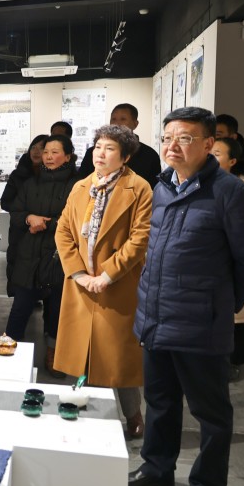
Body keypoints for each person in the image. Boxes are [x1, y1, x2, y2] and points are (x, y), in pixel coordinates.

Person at [129, 107, 244, 486]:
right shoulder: (162, 186)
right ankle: (157, 467)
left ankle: (207, 485)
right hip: (156, 316)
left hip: (200, 322)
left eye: (185, 138)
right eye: (167, 137)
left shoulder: (231, 194)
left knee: (210, 411)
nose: (172, 145)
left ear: (209, 144)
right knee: (160, 400)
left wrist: (218, 304)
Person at [54, 125, 153, 439]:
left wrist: (108, 275)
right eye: (98, 146)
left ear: (124, 157)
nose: (101, 153)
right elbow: (63, 231)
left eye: (109, 148)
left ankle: (133, 414)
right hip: (82, 284)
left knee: (117, 356)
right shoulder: (82, 186)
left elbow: (140, 238)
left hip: (117, 284)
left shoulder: (139, 188)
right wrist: (79, 273)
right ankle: (79, 407)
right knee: (82, 352)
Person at [5, 135, 80, 376]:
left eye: (55, 152)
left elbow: (79, 221)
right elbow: (16, 212)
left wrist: (47, 224)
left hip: (60, 255)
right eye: (46, 151)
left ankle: (54, 355)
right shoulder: (30, 183)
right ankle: (8, 352)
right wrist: (29, 218)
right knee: (20, 307)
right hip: (29, 254)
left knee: (56, 311)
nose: (48, 156)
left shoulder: (78, 186)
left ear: (67, 157)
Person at [211, 137, 244, 378]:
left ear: (232, 160)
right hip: (212, 271)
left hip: (233, 263)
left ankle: (233, 361)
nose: (211, 157)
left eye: (217, 154)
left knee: (237, 313)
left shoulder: (242, 188)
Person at [0, 134, 48, 294]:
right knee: (18, 268)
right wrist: (27, 214)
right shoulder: (18, 174)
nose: (36, 151)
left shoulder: (53, 176)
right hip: (21, 229)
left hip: (45, 229)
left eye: (41, 148)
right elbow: (6, 202)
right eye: (33, 147)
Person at [78, 103, 162, 183]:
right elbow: (82, 181)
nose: (117, 123)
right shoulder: (93, 152)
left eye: (123, 119)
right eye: (113, 119)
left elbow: (154, 188)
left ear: (135, 124)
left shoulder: (149, 155)